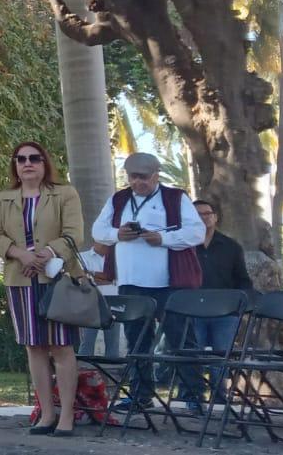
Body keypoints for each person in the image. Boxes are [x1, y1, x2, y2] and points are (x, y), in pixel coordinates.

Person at [89, 152, 205, 412]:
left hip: (170, 283)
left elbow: (196, 232)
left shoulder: (175, 197)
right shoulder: (118, 199)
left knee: (181, 339)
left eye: (143, 177)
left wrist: (163, 239)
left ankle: (193, 395)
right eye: (132, 177)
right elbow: (98, 230)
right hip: (131, 282)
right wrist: (117, 234)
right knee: (137, 340)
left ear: (156, 175)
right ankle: (141, 395)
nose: (137, 182)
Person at [0, 142, 83, 436]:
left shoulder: (65, 194)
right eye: (21, 159)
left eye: (34, 158)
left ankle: (67, 415)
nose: (27, 163)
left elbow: (74, 234)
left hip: (57, 280)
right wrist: (22, 255)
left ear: (45, 163)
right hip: (20, 279)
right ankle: (46, 413)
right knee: (35, 346)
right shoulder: (3, 198)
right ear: (15, 165)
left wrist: (45, 255)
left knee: (61, 346)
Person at [172, 199, 254, 413]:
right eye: (197, 214)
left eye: (207, 214)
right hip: (192, 311)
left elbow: (243, 280)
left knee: (221, 357)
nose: (203, 218)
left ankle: (219, 399)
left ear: (215, 217)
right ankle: (192, 397)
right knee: (193, 355)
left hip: (225, 313)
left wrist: (239, 306)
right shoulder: (182, 246)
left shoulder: (231, 246)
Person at [75, 240, 121, 359]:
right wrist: (108, 279)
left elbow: (118, 279)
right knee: (87, 341)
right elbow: (83, 280)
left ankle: (112, 369)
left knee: (113, 342)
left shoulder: (117, 258)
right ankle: (84, 367)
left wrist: (92, 273)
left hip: (114, 303)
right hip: (90, 303)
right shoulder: (82, 257)